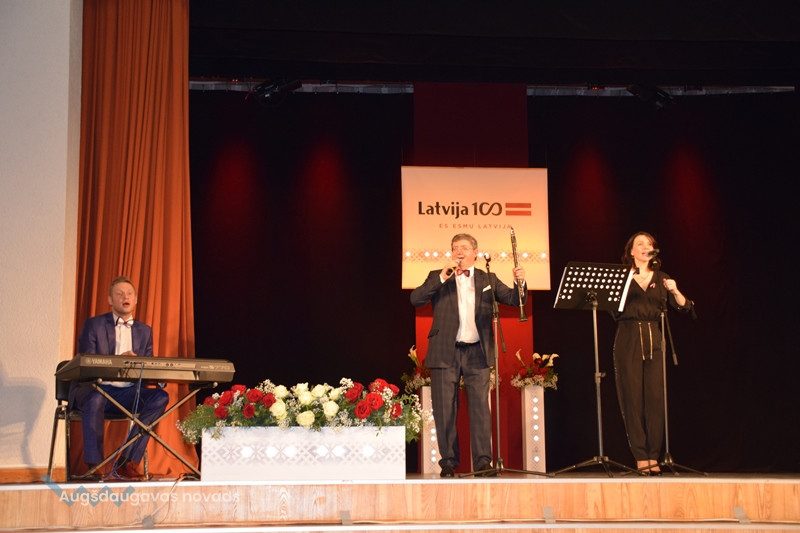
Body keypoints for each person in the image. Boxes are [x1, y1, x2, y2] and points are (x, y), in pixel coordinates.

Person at [410, 233, 526, 478]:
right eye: (455, 248)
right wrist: (443, 277)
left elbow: (514, 299)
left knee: (480, 409)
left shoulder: (487, 278)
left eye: (464, 247)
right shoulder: (438, 275)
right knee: (444, 409)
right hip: (446, 350)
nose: (459, 252)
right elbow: (416, 299)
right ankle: (448, 462)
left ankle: (483, 462)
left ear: (475, 252)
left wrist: (520, 283)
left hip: (477, 351)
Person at [69, 276, 168, 480]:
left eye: (129, 294)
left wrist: (158, 377)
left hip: (127, 393)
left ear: (136, 300)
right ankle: (95, 466)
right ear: (110, 300)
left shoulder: (145, 331)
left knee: (160, 397)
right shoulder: (94, 325)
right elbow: (87, 363)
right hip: (96, 389)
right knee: (96, 397)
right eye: (120, 294)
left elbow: (148, 366)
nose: (125, 297)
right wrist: (118, 361)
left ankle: (127, 461)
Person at [613, 232, 694, 475]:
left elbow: (684, 307)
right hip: (628, 336)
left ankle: (654, 455)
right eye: (640, 243)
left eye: (649, 243)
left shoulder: (662, 277)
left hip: (654, 336)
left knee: (655, 398)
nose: (645, 246)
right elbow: (612, 309)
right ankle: (640, 455)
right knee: (632, 397)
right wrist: (625, 284)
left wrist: (675, 290)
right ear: (631, 251)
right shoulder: (621, 277)